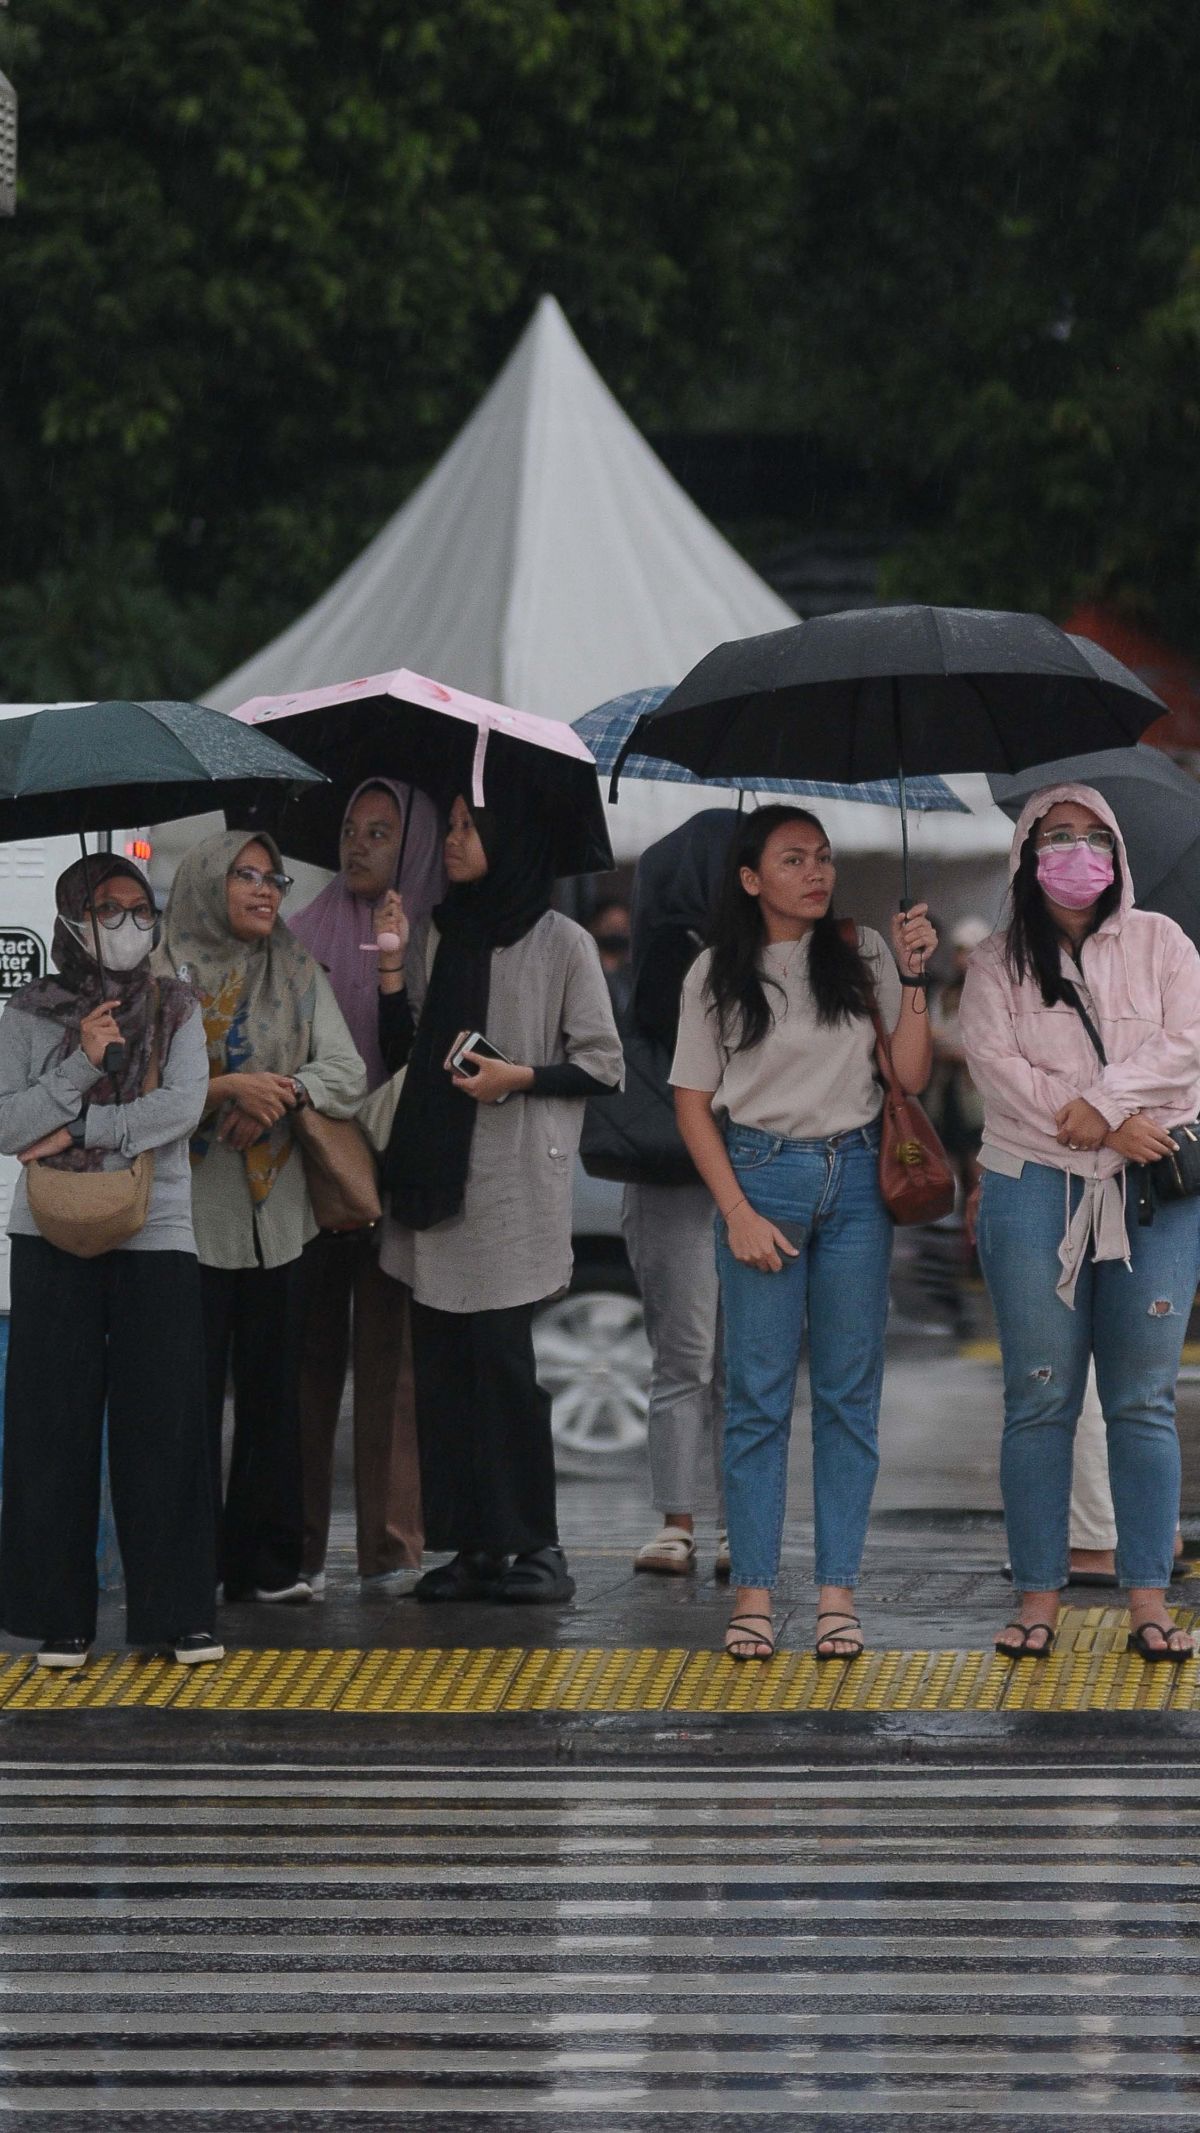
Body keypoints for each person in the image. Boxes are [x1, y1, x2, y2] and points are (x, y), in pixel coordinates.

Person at [671, 804, 937, 1661]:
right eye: (793, 860)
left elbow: (910, 1074)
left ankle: (835, 1597)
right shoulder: (715, 971)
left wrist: (917, 978)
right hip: (762, 1174)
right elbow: (690, 1102)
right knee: (753, 1396)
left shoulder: (860, 953)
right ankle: (753, 1595)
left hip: (860, 1175)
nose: (816, 873)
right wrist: (737, 1211)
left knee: (849, 1396)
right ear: (751, 878)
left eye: (822, 858)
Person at [959, 783, 1200, 1663]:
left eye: (1096, 836)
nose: (1078, 851)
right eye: (1057, 835)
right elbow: (998, 1070)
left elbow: (1189, 1041)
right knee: (1040, 1398)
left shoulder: (1163, 942)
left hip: (1153, 1192)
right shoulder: (996, 963)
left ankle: (1148, 1599)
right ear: (1027, 852)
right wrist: (1097, 1118)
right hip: (1034, 1188)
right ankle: (1037, 1597)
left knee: (1141, 1401)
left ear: (1119, 855)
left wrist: (1104, 1105)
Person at [378, 785, 623, 1605]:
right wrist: (387, 973)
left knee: (504, 1371)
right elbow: (405, 1050)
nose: (450, 839)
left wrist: (517, 1077)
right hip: (433, 1172)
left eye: (466, 825)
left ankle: (537, 1548)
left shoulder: (564, 942)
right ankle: (471, 1547)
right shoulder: (440, 930)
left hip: (514, 1180)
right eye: (448, 825)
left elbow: (602, 1063)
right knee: (444, 1370)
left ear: (508, 835)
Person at [0, 855, 220, 1669]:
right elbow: (6, 1121)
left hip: (155, 1230)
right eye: (106, 908)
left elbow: (182, 1104)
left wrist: (83, 1130)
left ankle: (179, 1613)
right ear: (71, 919)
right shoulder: (29, 1010)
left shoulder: (177, 1003)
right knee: (50, 1423)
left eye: (139, 908)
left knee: (163, 1421)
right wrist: (82, 1065)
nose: (127, 923)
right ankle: (58, 1616)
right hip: (51, 1231)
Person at [159, 830, 366, 1606]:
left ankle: (268, 1565)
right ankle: (189, 1565)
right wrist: (226, 1091)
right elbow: (141, 1088)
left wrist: (280, 1090)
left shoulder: (297, 967)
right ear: (209, 881)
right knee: (188, 1397)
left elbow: (344, 1070)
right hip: (186, 1217)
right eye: (244, 875)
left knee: (276, 1394)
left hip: (279, 1217)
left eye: (273, 876)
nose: (263, 889)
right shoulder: (161, 974)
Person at [289, 779, 444, 1598]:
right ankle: (300, 1550)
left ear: (410, 846)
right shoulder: (299, 931)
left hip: (397, 1173)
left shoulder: (434, 937)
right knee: (307, 1359)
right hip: (311, 1172)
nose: (358, 845)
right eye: (351, 829)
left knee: (391, 1363)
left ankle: (390, 1550)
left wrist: (394, 966)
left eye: (380, 832)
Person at [621, 810, 738, 1579]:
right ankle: (680, 1520)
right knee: (689, 1356)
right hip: (677, 1177)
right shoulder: (672, 958)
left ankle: (732, 1521)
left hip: (747, 1176)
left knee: (740, 1363)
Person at [928, 916, 989, 1201]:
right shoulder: (946, 992)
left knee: (978, 1154)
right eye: (960, 950)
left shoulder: (993, 992)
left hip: (979, 1088)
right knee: (950, 1148)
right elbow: (934, 1033)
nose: (963, 958)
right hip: (949, 1084)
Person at [588, 897, 633, 1020]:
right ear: (594, 927)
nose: (617, 934)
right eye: (610, 927)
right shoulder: (584, 974)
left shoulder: (633, 976)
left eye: (623, 929)